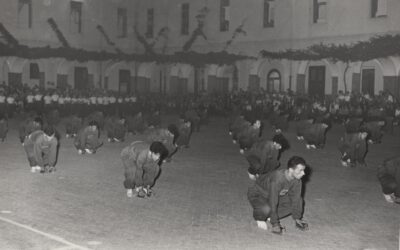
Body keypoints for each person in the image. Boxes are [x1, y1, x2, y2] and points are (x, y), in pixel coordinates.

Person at [247, 156, 309, 235]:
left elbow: (295, 199)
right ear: (291, 170)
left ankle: (270, 216)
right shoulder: (277, 179)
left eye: (303, 170)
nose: (303, 173)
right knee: (266, 209)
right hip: (258, 194)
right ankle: (260, 218)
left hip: (275, 195)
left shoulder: (297, 180)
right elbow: (273, 201)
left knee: (299, 200)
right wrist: (275, 223)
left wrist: (297, 218)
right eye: (300, 170)